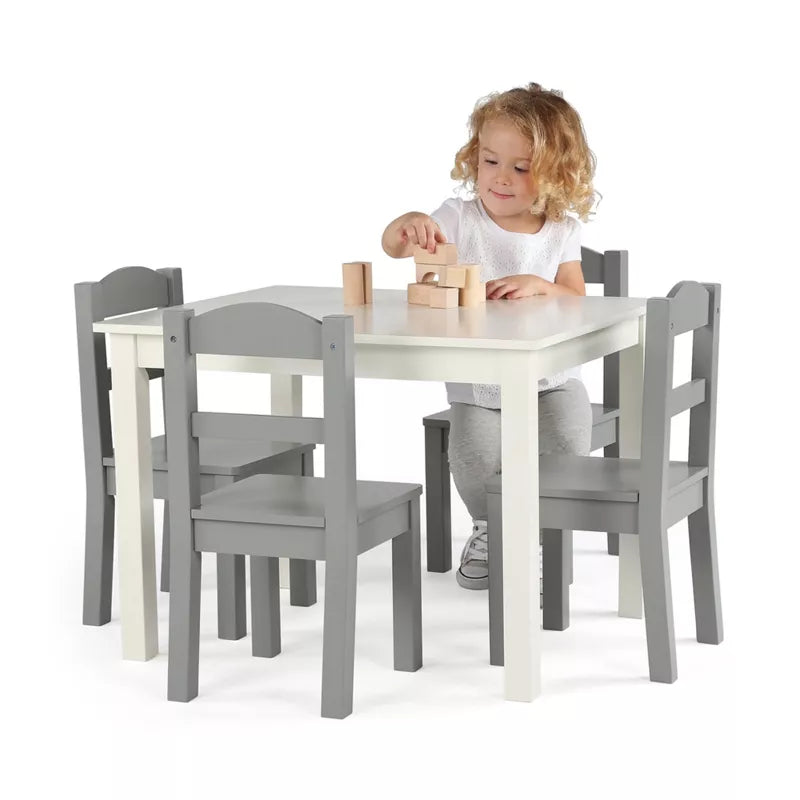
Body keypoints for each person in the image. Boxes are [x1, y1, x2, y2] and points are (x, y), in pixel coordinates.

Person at [381, 82, 598, 590]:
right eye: (489, 161)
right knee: (474, 453)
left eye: (520, 168)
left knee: (567, 437)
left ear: (555, 176)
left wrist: (541, 284)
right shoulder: (459, 217)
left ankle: (541, 531)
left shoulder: (560, 228)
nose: (500, 179)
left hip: (552, 377)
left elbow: (575, 295)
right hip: (479, 382)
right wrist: (407, 225)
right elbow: (396, 247)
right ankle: (489, 527)